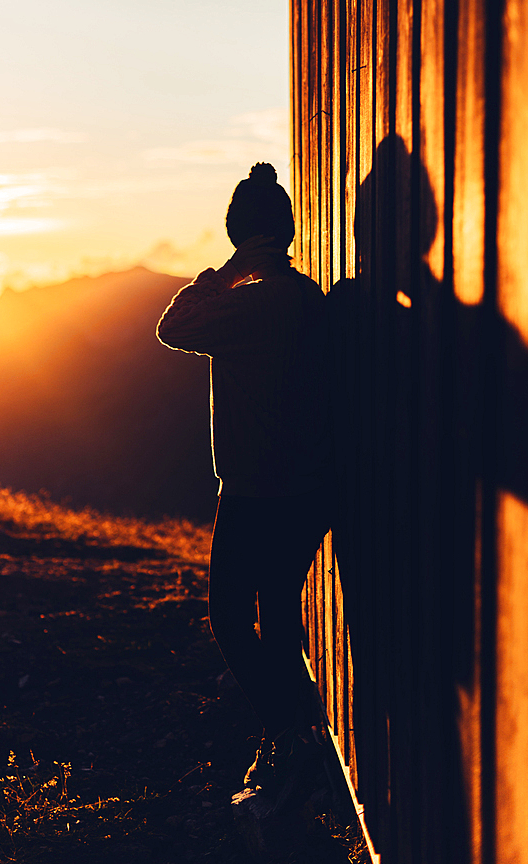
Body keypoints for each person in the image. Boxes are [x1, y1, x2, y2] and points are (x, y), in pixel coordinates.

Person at [156, 162, 332, 806]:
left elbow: (171, 329)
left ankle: (288, 733)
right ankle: (295, 735)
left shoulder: (245, 304)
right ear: (286, 231)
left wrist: (225, 273)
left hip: (256, 488)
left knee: (230, 617)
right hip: (309, 486)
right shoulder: (306, 296)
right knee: (280, 614)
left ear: (238, 233)